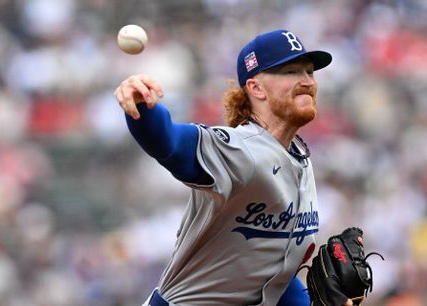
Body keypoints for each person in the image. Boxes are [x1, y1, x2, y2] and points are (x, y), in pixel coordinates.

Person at [114, 29, 354, 306]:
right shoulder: (241, 149)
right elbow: (171, 144)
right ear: (256, 88)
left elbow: (274, 277)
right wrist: (143, 109)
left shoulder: (301, 160)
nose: (307, 81)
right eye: (290, 72)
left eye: (310, 72)